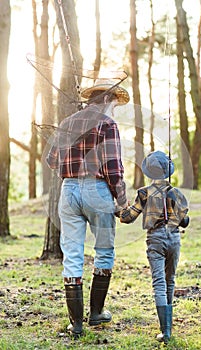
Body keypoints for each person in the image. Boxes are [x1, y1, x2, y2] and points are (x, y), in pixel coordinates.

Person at [46, 79, 130, 337]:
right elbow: (114, 168)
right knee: (104, 251)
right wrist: (122, 200)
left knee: (72, 255)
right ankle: (95, 314)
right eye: (114, 104)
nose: (114, 109)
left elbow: (51, 159)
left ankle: (77, 324)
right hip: (98, 190)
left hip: (68, 190)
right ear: (106, 99)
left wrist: (71, 171)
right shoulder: (107, 124)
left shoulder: (66, 122)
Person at [119, 150, 189, 344]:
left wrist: (117, 209)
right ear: (168, 171)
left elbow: (127, 218)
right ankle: (168, 329)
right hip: (174, 238)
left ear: (149, 172)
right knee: (170, 280)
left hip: (155, 239)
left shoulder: (144, 193)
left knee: (159, 282)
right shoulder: (176, 193)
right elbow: (185, 222)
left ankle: (165, 332)